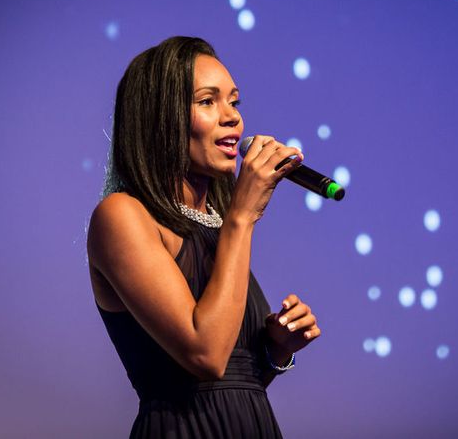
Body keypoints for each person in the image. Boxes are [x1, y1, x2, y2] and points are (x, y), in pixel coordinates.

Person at [87, 36, 321, 438]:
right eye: (207, 101)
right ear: (160, 116)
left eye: (234, 102)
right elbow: (205, 354)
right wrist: (242, 216)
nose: (232, 117)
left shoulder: (215, 222)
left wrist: (276, 350)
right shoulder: (122, 215)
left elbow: (230, 386)